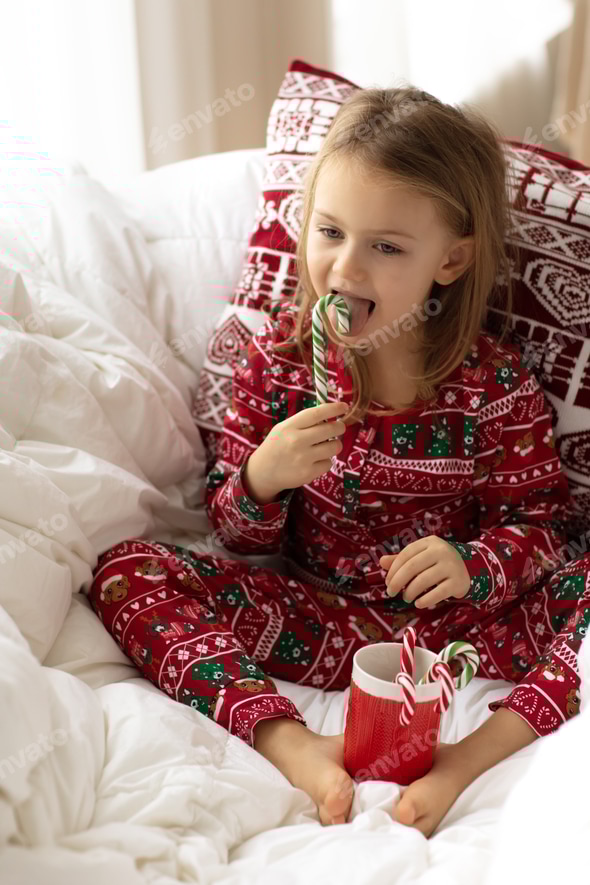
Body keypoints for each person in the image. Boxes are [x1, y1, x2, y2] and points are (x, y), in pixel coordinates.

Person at [87, 87, 590, 838]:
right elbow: (237, 537)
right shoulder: (277, 370)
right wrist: (263, 477)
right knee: (127, 570)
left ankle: (466, 758)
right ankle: (297, 745)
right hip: (326, 623)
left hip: (466, 632)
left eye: (386, 246)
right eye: (331, 231)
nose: (345, 268)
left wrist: (472, 562)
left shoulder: (494, 386)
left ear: (450, 260)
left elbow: (544, 525)